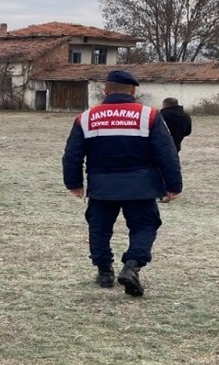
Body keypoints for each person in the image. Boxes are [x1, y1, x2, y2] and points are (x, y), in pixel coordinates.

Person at [62, 69, 183, 297]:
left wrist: (74, 183)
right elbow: (167, 154)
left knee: (99, 229)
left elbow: (72, 155)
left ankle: (104, 271)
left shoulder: (85, 118)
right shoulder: (151, 116)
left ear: (105, 91)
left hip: (101, 186)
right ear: (134, 91)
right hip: (141, 186)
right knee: (144, 226)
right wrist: (173, 184)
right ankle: (133, 265)